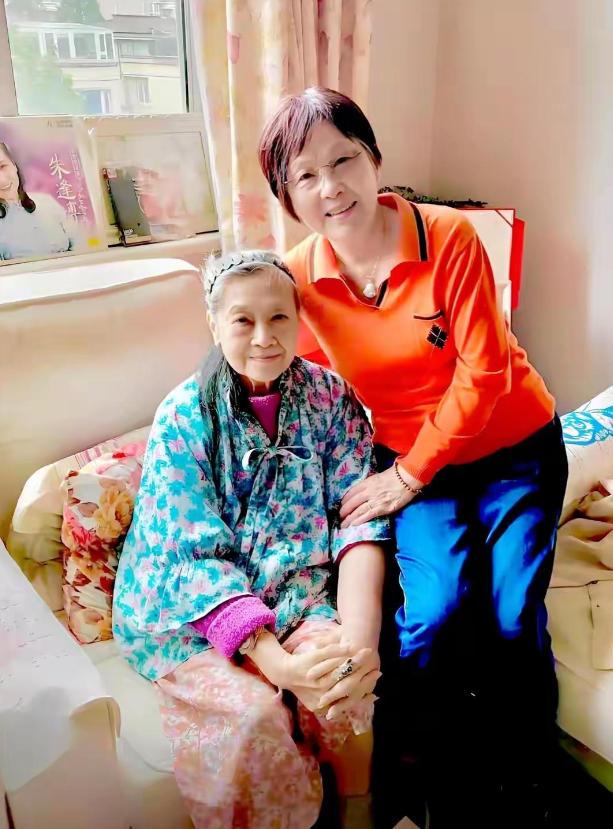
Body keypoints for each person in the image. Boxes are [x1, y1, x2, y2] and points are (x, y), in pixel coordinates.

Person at [259, 87, 568, 827]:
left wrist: (405, 474)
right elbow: (307, 389)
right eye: (305, 175)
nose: (330, 187)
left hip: (514, 449)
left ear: (374, 160)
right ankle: (426, 781)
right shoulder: (296, 278)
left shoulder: (448, 236)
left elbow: (485, 373)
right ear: (286, 195)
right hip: (414, 467)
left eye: (344, 160)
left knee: (510, 616)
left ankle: (527, 777)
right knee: (430, 616)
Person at [112, 250, 391, 829]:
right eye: (243, 320)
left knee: (342, 684)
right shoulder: (184, 416)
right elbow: (191, 559)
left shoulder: (330, 399)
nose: (264, 337)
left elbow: (359, 517)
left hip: (298, 595)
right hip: (190, 616)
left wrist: (360, 641)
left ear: (299, 319)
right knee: (255, 719)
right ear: (215, 325)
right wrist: (277, 665)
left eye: (279, 317)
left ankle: (359, 810)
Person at [0, 142, 80, 261]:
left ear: (14, 164)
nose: (2, 180)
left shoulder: (45, 201)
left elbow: (79, 241)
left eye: (2, 166)